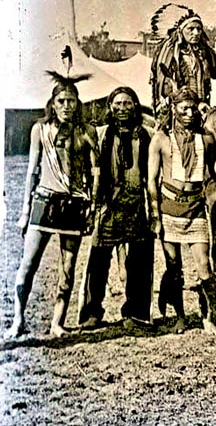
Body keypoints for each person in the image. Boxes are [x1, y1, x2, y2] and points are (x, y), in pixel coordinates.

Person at [5, 72, 98, 338]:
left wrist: (91, 206)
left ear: (78, 103)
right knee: (28, 264)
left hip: (74, 205)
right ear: (53, 104)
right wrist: (25, 211)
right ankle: (18, 320)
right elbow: (31, 171)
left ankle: (57, 323)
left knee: (67, 270)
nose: (67, 106)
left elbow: (94, 171)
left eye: (72, 101)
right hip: (44, 202)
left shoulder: (87, 131)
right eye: (62, 101)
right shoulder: (40, 130)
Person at [148, 87, 216, 333]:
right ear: (174, 108)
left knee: (204, 266)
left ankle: (207, 317)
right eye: (184, 108)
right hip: (169, 208)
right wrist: (155, 215)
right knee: (174, 268)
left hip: (195, 208)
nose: (190, 113)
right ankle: (179, 317)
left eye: (193, 108)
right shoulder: (161, 139)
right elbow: (151, 181)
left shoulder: (207, 138)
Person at [79, 87, 154, 329]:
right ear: (110, 107)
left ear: (135, 106)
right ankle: (92, 312)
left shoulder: (146, 134)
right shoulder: (100, 135)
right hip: (107, 204)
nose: (122, 108)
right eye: (117, 103)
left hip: (136, 202)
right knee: (99, 258)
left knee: (139, 260)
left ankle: (136, 312)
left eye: (127, 103)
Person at [151, 5, 216, 109]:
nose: (196, 33)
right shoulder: (170, 53)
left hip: (203, 106)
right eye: (191, 29)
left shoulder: (205, 51)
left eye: (199, 29)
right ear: (180, 31)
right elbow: (164, 86)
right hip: (179, 109)